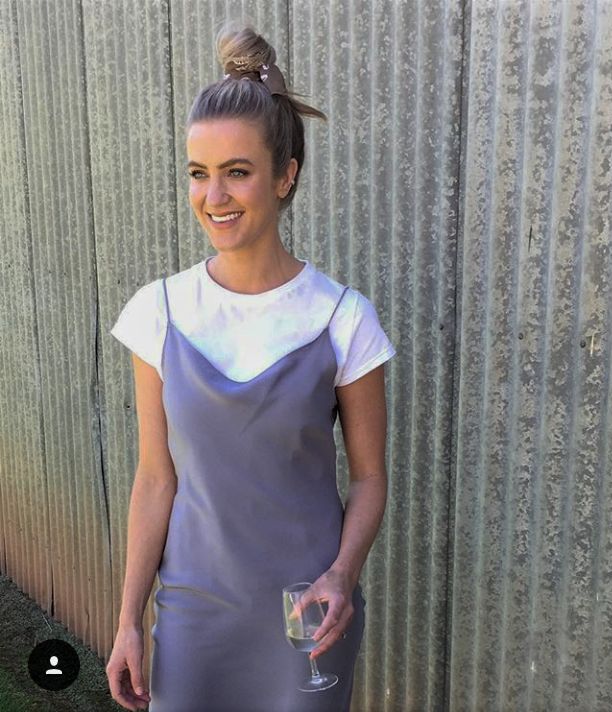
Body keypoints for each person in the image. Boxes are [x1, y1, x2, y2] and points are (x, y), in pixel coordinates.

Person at [105, 22, 395, 712]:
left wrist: (342, 574)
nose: (214, 197)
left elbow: (369, 478)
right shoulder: (159, 312)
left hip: (307, 617)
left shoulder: (341, 319)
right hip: (191, 617)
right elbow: (156, 478)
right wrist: (127, 622)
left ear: (285, 176)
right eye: (198, 174)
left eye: (237, 172)